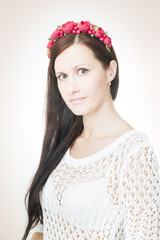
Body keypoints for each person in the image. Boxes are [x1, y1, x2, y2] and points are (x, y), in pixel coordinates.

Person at [22, 20, 160, 240]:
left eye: (83, 71)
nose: (71, 88)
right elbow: (45, 226)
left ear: (110, 71)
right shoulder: (64, 142)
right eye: (62, 76)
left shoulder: (134, 155)